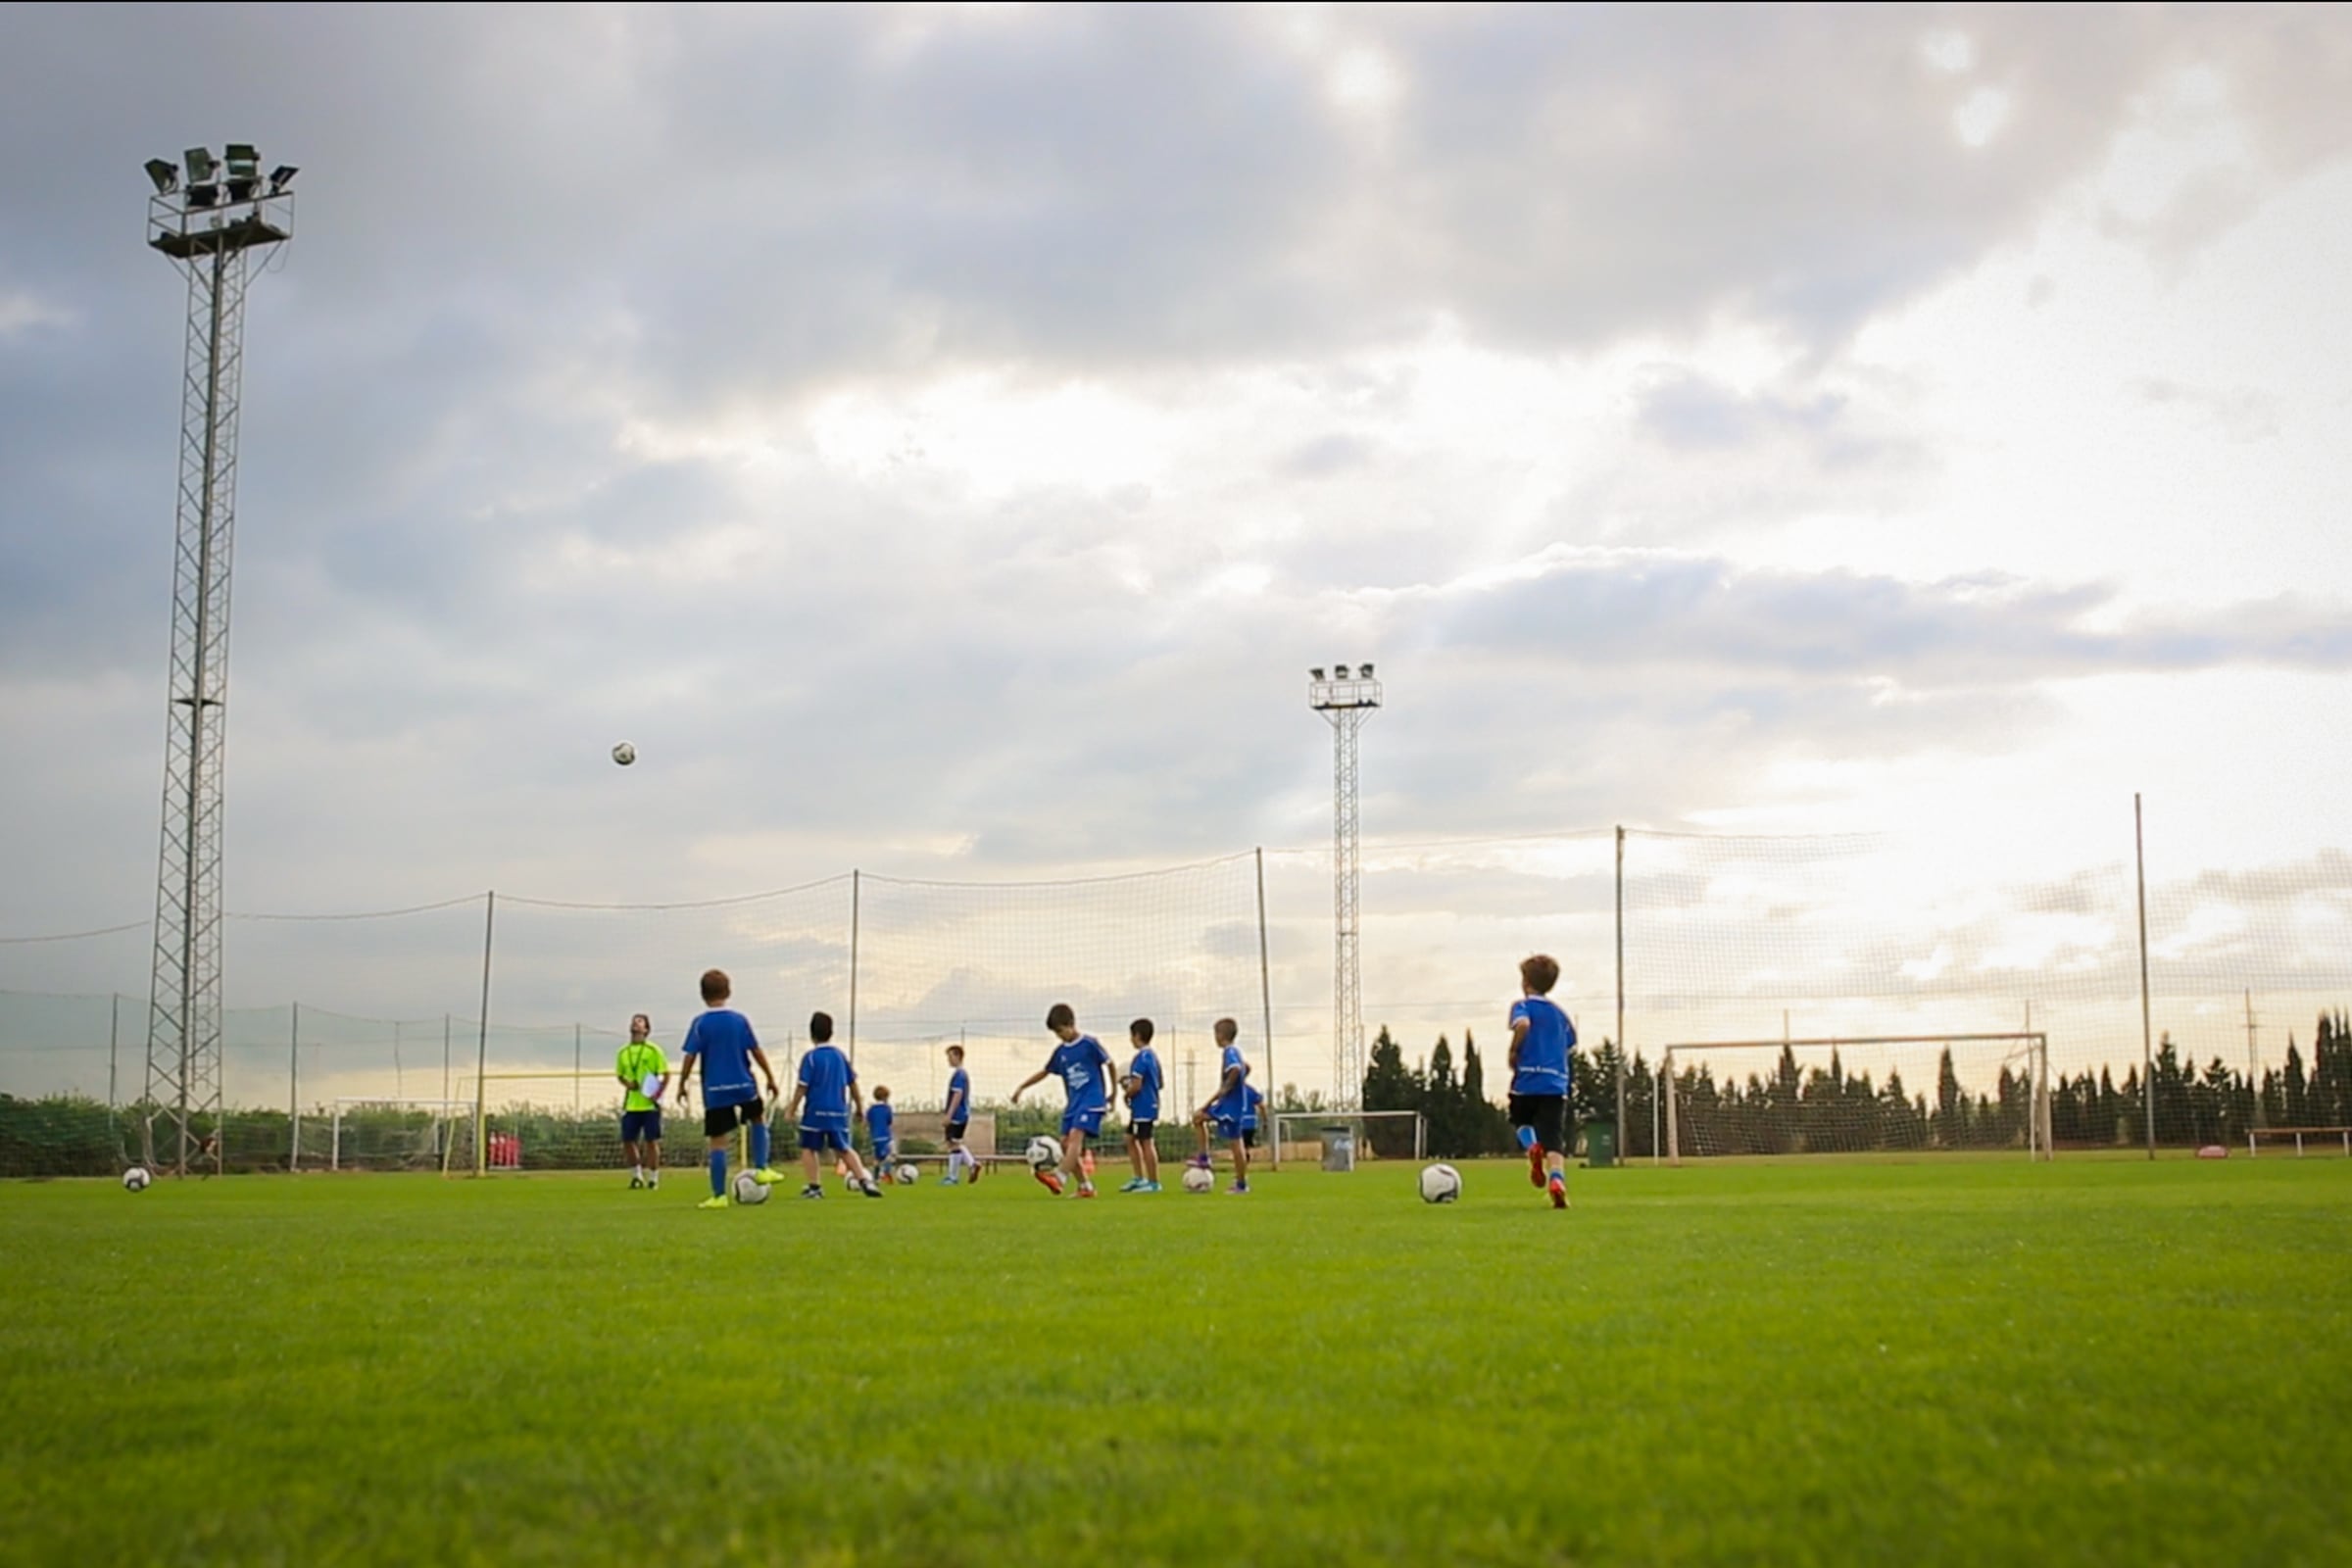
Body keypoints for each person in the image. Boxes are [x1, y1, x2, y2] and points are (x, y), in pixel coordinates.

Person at [670, 968, 783, 1210]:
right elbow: (756, 1050)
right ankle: (762, 1168)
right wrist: (770, 1077)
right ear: (729, 991)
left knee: (718, 1142)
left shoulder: (700, 1023)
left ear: (702, 995)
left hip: (715, 1089)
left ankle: (719, 1196)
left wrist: (682, 1084)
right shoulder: (739, 1020)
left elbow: (690, 1055)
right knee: (757, 1119)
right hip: (743, 1083)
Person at [1009, 1003, 1115, 1198]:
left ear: (1071, 1024)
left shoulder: (1089, 1044)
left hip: (1092, 1100)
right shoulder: (1061, 1052)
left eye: (1060, 1031)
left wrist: (1113, 1094)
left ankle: (1059, 1177)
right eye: (1055, 1033)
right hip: (1074, 1103)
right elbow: (1045, 1071)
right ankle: (1085, 1187)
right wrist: (1022, 1087)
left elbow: (1110, 1064)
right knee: (1065, 1143)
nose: (1059, 1036)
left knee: (1075, 1136)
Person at [787, 1011, 882, 1199]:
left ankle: (815, 1187)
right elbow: (852, 1083)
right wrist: (859, 1107)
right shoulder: (840, 1056)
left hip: (815, 1111)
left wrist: (791, 1109)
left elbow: (802, 1087)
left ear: (811, 1033)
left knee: (809, 1148)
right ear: (831, 1032)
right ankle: (864, 1180)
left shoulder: (811, 1058)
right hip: (838, 1112)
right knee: (844, 1148)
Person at [1508, 953, 1576, 1210]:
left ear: (1525, 982)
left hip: (1527, 1079)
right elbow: (1571, 1042)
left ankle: (1532, 1147)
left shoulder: (1522, 1006)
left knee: (1521, 1121)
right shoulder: (1560, 1014)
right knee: (1554, 1137)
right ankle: (1557, 1179)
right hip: (1555, 1084)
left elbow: (1523, 1025)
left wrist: (1515, 1050)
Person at [1190, 1016, 1254, 1194]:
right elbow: (1245, 1067)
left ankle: (1205, 1158)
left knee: (1200, 1118)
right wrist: (1240, 1081)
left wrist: (1226, 1087)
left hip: (1229, 1105)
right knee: (1235, 1142)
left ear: (1220, 1035)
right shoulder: (1235, 1051)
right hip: (1234, 1104)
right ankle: (1240, 1183)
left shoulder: (1229, 1051)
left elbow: (1236, 1069)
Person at [614, 1012, 666, 1190]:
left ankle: (653, 1178)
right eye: (634, 1022)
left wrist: (657, 1093)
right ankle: (636, 1176)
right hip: (631, 1105)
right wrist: (627, 1084)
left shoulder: (654, 1050)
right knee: (628, 1140)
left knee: (651, 1141)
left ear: (646, 1029)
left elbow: (665, 1074)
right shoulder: (623, 1052)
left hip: (650, 1105)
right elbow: (620, 1075)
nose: (635, 1025)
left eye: (640, 1022)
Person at [1119, 1017, 1164, 1194]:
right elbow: (1160, 1083)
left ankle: (1153, 1182)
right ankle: (1139, 1177)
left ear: (1137, 1036)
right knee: (1129, 1138)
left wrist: (1127, 1093)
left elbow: (1137, 1085)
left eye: (1131, 1035)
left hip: (1143, 1107)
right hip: (1148, 1104)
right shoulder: (1153, 1057)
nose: (1130, 1039)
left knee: (1146, 1142)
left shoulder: (1140, 1058)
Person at [940, 1044, 981, 1185]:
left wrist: (949, 1114)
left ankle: (961, 1171)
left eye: (950, 1056)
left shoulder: (959, 1074)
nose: (948, 1060)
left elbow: (958, 1094)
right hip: (963, 1113)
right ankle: (963, 1170)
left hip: (957, 1114)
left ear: (958, 1056)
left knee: (953, 1143)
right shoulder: (962, 1074)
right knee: (953, 1143)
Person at [866, 1085, 897, 1184]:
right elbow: (889, 1121)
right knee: (892, 1155)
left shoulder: (871, 1109)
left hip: (875, 1138)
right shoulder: (887, 1108)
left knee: (877, 1158)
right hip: (886, 1137)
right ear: (885, 1097)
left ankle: (876, 1178)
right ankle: (885, 1173)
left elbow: (868, 1121)